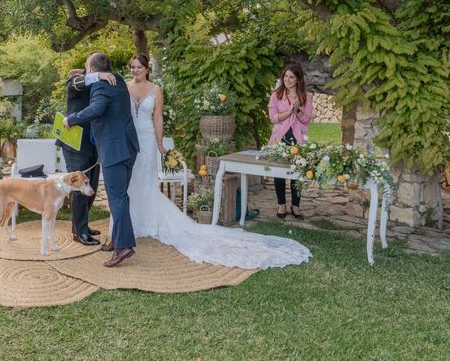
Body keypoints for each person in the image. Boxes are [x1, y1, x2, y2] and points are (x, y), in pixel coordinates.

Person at [104, 54, 311, 270]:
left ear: (147, 69)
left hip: (146, 139)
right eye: (132, 67)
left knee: (145, 182)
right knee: (127, 184)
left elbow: (157, 118)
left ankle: (146, 222)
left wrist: (159, 144)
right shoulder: (123, 86)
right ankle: (129, 225)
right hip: (128, 139)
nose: (135, 70)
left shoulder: (156, 90)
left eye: (139, 67)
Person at [64, 52, 140, 268]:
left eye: (87, 67)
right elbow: (79, 83)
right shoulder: (117, 80)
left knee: (117, 198)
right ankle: (115, 238)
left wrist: (72, 119)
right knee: (120, 196)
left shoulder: (102, 84)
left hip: (114, 149)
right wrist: (97, 76)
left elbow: (97, 109)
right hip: (126, 147)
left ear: (90, 68)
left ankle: (123, 245)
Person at [56, 60, 118, 247]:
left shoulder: (98, 85)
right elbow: (78, 83)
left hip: (93, 145)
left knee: (91, 188)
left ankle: (83, 225)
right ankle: (79, 232)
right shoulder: (75, 81)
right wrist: (98, 75)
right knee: (80, 189)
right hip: (75, 145)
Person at [268, 63, 313, 219]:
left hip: (298, 138)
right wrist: (289, 111)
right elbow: (273, 118)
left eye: (291, 77)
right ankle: (281, 205)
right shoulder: (276, 95)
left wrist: (298, 109)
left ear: (298, 79)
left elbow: (306, 120)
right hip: (280, 137)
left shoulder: (306, 97)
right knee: (279, 172)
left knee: (297, 172)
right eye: (286, 76)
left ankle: (296, 205)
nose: (287, 79)